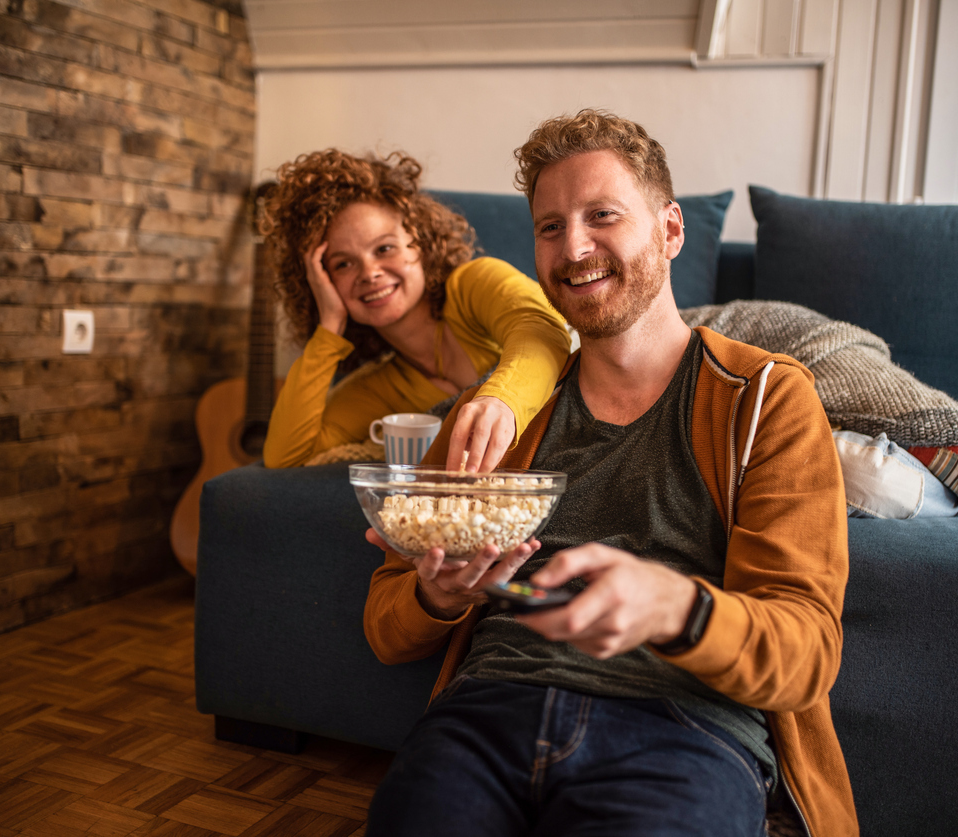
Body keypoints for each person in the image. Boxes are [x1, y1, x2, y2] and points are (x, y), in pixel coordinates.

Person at [362, 110, 857, 836]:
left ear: (670, 230)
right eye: (551, 226)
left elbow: (806, 648)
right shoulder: (498, 415)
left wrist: (674, 605)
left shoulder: (765, 397)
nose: (575, 247)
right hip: (489, 710)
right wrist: (435, 594)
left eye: (602, 215)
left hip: (686, 727)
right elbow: (383, 623)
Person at [259, 149, 572, 472]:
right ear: (322, 282)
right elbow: (286, 457)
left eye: (384, 248)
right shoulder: (375, 388)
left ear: (420, 242)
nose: (369, 272)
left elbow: (542, 328)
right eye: (343, 264)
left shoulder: (474, 283)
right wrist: (329, 325)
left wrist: (501, 402)